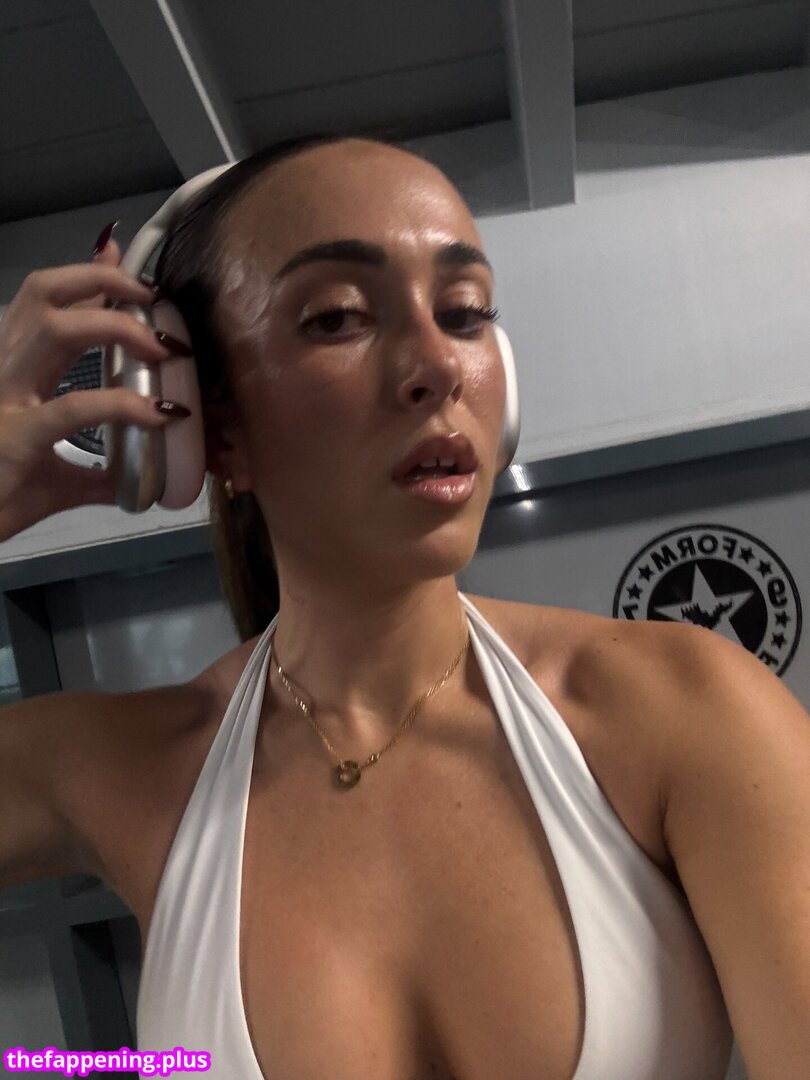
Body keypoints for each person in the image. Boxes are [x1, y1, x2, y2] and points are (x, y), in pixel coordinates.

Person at [0, 131, 808, 1080]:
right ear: (205, 425)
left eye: (463, 312)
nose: (438, 365)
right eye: (338, 318)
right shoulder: (127, 772)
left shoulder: (682, 708)